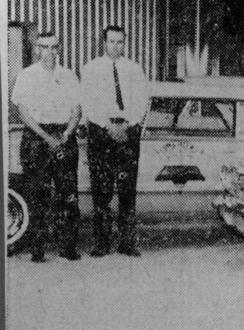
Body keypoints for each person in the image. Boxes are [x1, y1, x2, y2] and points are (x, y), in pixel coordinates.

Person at [10, 32, 84, 262]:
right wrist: (45, 137)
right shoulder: (27, 76)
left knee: (68, 195)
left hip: (63, 136)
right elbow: (23, 112)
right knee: (37, 195)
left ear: (59, 49)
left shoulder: (69, 75)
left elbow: (76, 110)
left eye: (54, 47)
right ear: (37, 49)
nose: (50, 52)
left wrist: (66, 134)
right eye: (45, 47)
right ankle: (37, 249)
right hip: (36, 138)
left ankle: (68, 247)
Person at [81, 25, 149, 257]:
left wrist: (127, 125)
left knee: (127, 190)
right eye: (111, 42)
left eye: (120, 42)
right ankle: (101, 243)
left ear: (125, 43)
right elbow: (87, 104)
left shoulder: (134, 69)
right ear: (104, 43)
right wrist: (108, 126)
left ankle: (127, 243)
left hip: (128, 131)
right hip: (101, 131)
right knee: (101, 190)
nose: (116, 46)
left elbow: (142, 102)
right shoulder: (91, 68)